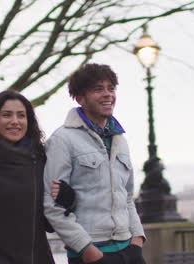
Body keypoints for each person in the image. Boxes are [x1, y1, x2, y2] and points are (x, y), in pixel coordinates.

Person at [43, 63, 146, 264]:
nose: (108, 94)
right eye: (98, 89)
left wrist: (138, 239)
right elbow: (52, 205)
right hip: (91, 253)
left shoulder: (120, 140)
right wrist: (86, 249)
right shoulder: (62, 140)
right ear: (80, 98)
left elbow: (127, 197)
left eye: (111, 88)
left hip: (129, 250)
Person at [0, 90, 55, 264]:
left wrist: (65, 198)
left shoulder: (40, 160)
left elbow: (49, 223)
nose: (15, 121)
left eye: (21, 115)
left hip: (38, 258)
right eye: (6, 115)